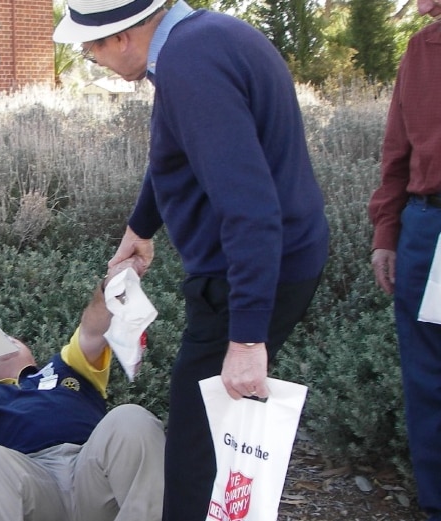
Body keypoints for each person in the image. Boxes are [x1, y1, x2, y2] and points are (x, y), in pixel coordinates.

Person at [54, 1, 330, 519]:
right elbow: (172, 152)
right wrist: (141, 227)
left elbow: (250, 208)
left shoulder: (189, 64)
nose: (94, 59)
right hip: (275, 258)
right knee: (206, 427)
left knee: (195, 443)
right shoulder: (201, 39)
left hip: (249, 272)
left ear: (123, 37)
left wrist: (247, 337)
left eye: (91, 50)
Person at [0, 260, 166, 521]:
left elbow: (93, 332)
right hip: (32, 488)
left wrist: (109, 286)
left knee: (131, 419)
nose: (5, 342)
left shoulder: (65, 367)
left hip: (92, 472)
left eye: (10, 338)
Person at [369, 2, 441, 520]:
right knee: (428, 376)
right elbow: (396, 152)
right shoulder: (420, 50)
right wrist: (387, 231)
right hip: (426, 228)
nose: (421, 6)